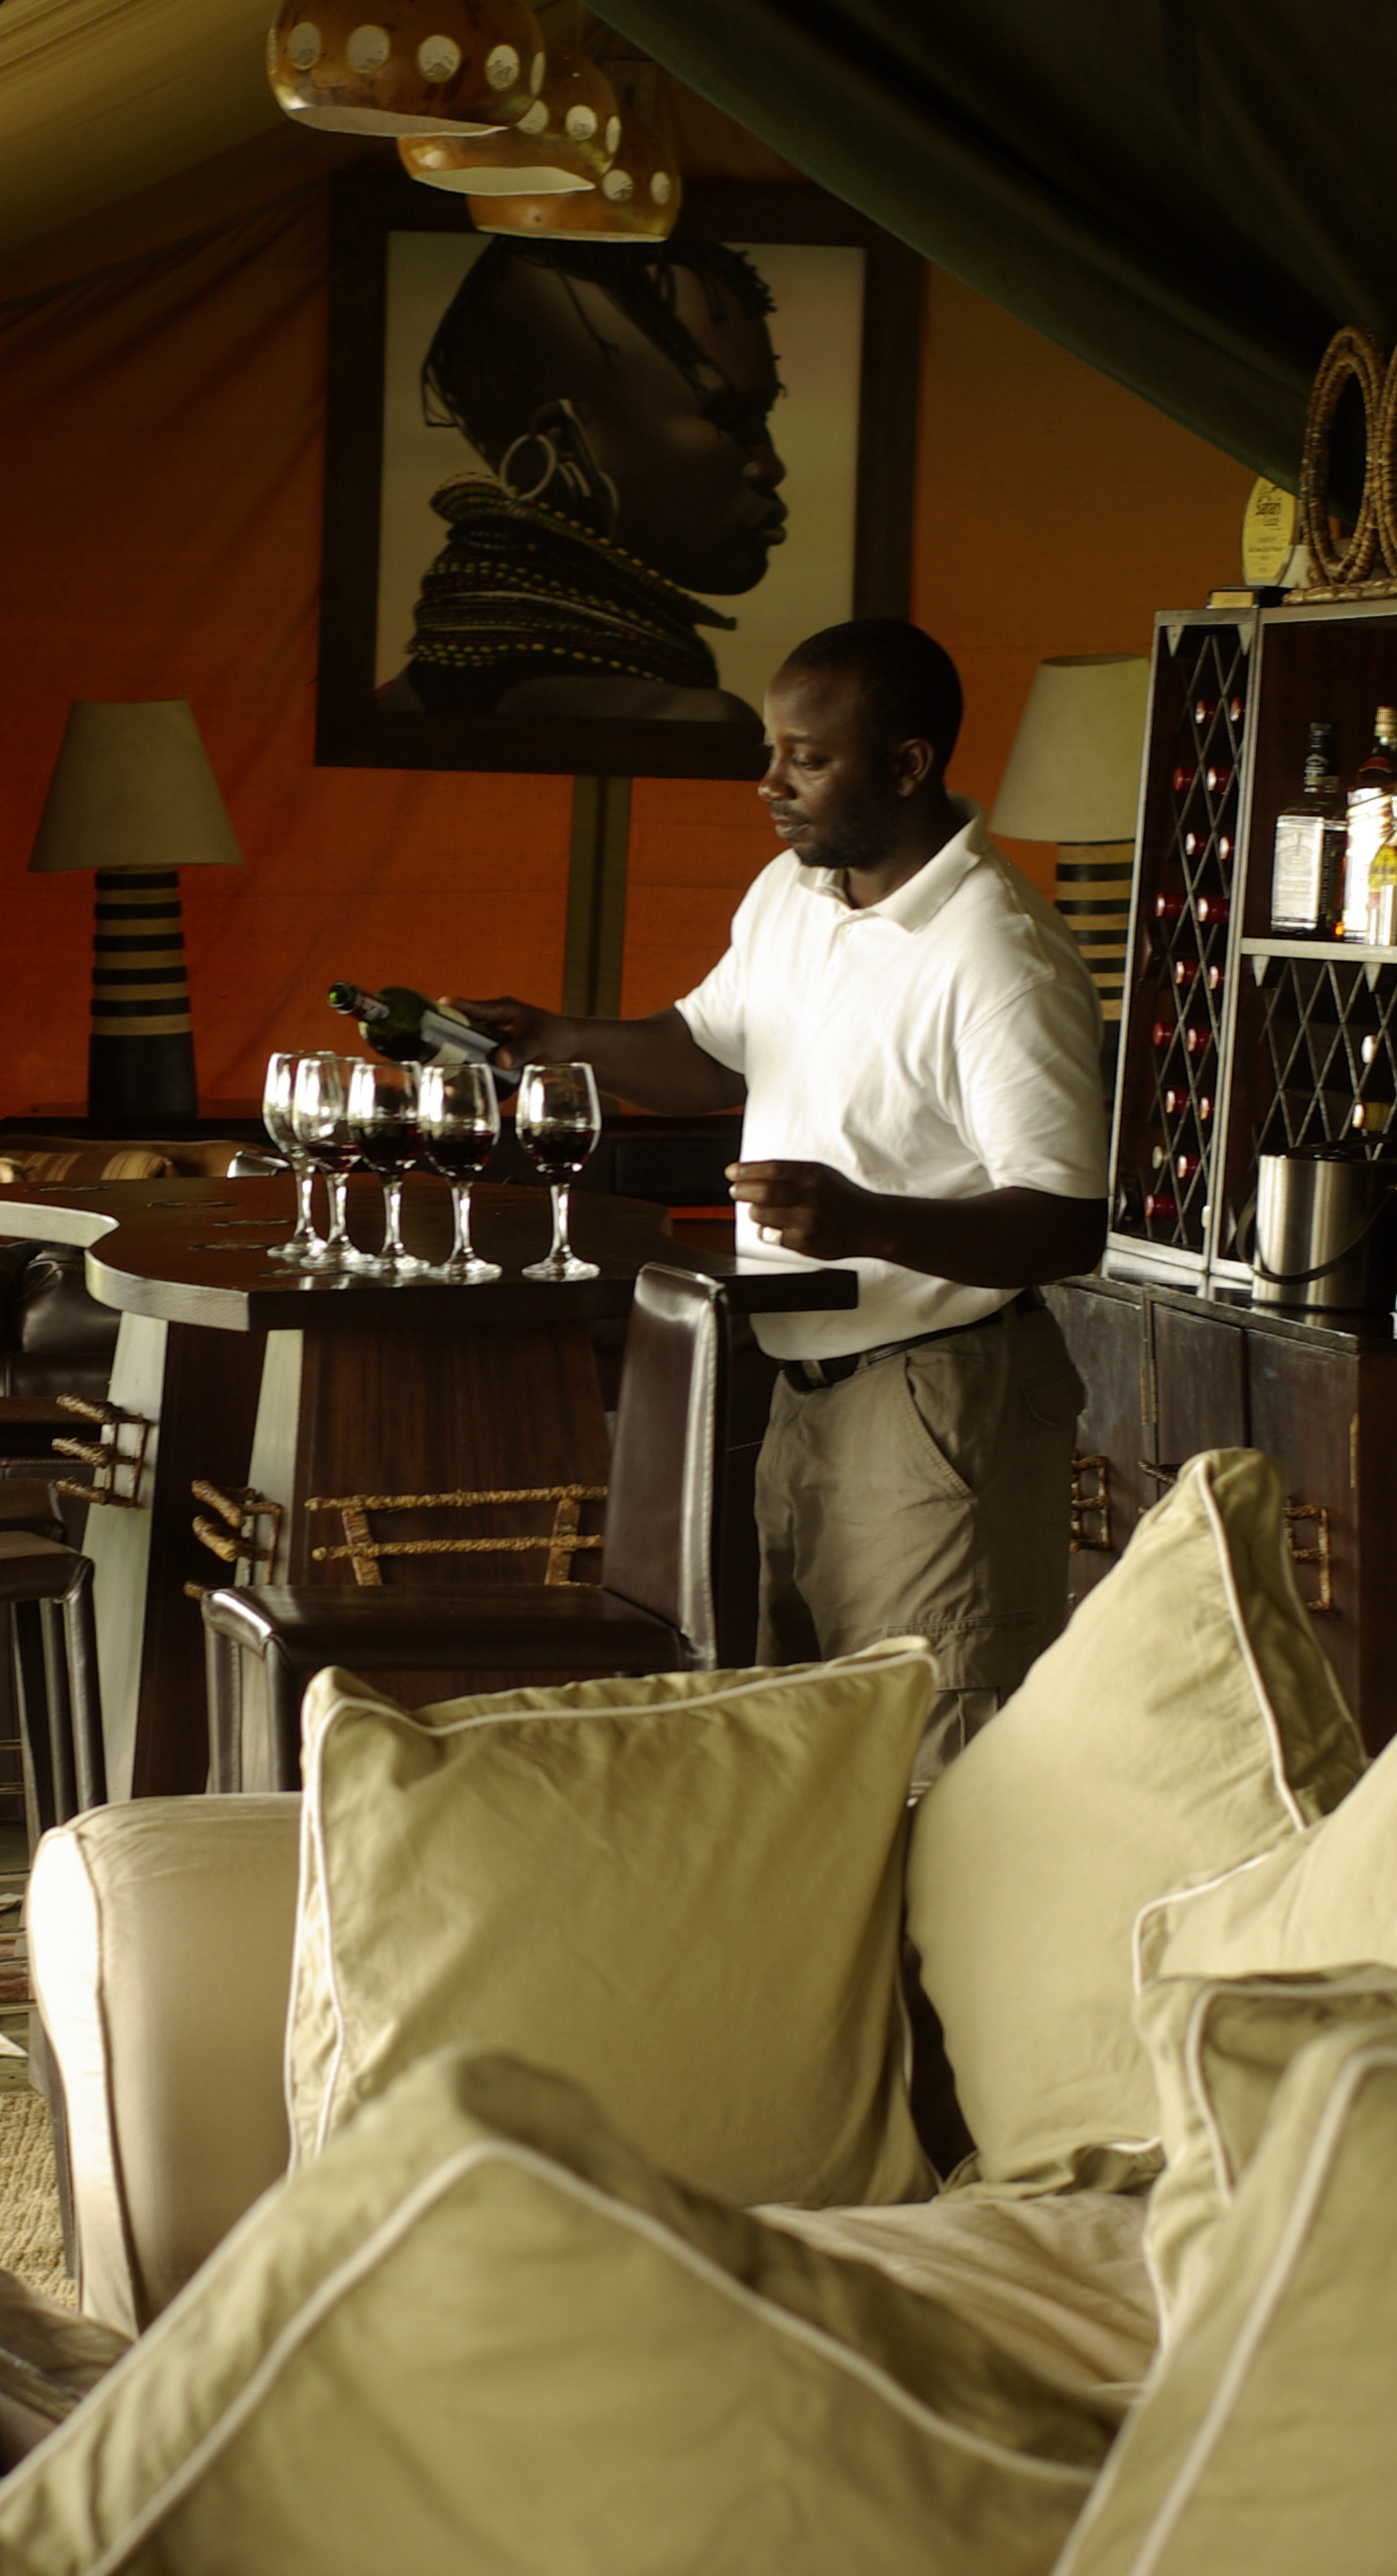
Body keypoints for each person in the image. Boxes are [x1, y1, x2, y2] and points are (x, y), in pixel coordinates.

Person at [457, 618, 1104, 1777]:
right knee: (800, 1763)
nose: (768, 782)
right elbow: (708, 1054)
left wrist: (867, 1222)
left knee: (930, 1762)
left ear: (905, 766)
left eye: (804, 759)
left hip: (939, 1402)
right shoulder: (792, 893)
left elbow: (1064, 1223)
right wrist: (557, 1038)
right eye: (771, 750)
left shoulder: (1000, 958)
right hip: (797, 1392)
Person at [375, 234, 791, 729]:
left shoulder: (399, 702)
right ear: (565, 442)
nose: (770, 466)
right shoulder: (694, 723)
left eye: (761, 418)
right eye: (727, 416)